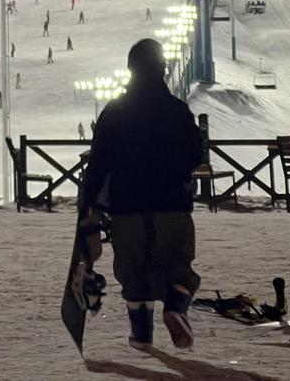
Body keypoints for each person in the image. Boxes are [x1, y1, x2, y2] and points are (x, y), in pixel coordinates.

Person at [81, 38, 202, 350]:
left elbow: (98, 164)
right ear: (163, 69)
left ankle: (141, 335)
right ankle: (175, 306)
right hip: (172, 205)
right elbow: (195, 155)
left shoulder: (114, 113)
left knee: (134, 272)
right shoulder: (178, 111)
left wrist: (88, 206)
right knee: (178, 267)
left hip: (127, 207)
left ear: (130, 70)